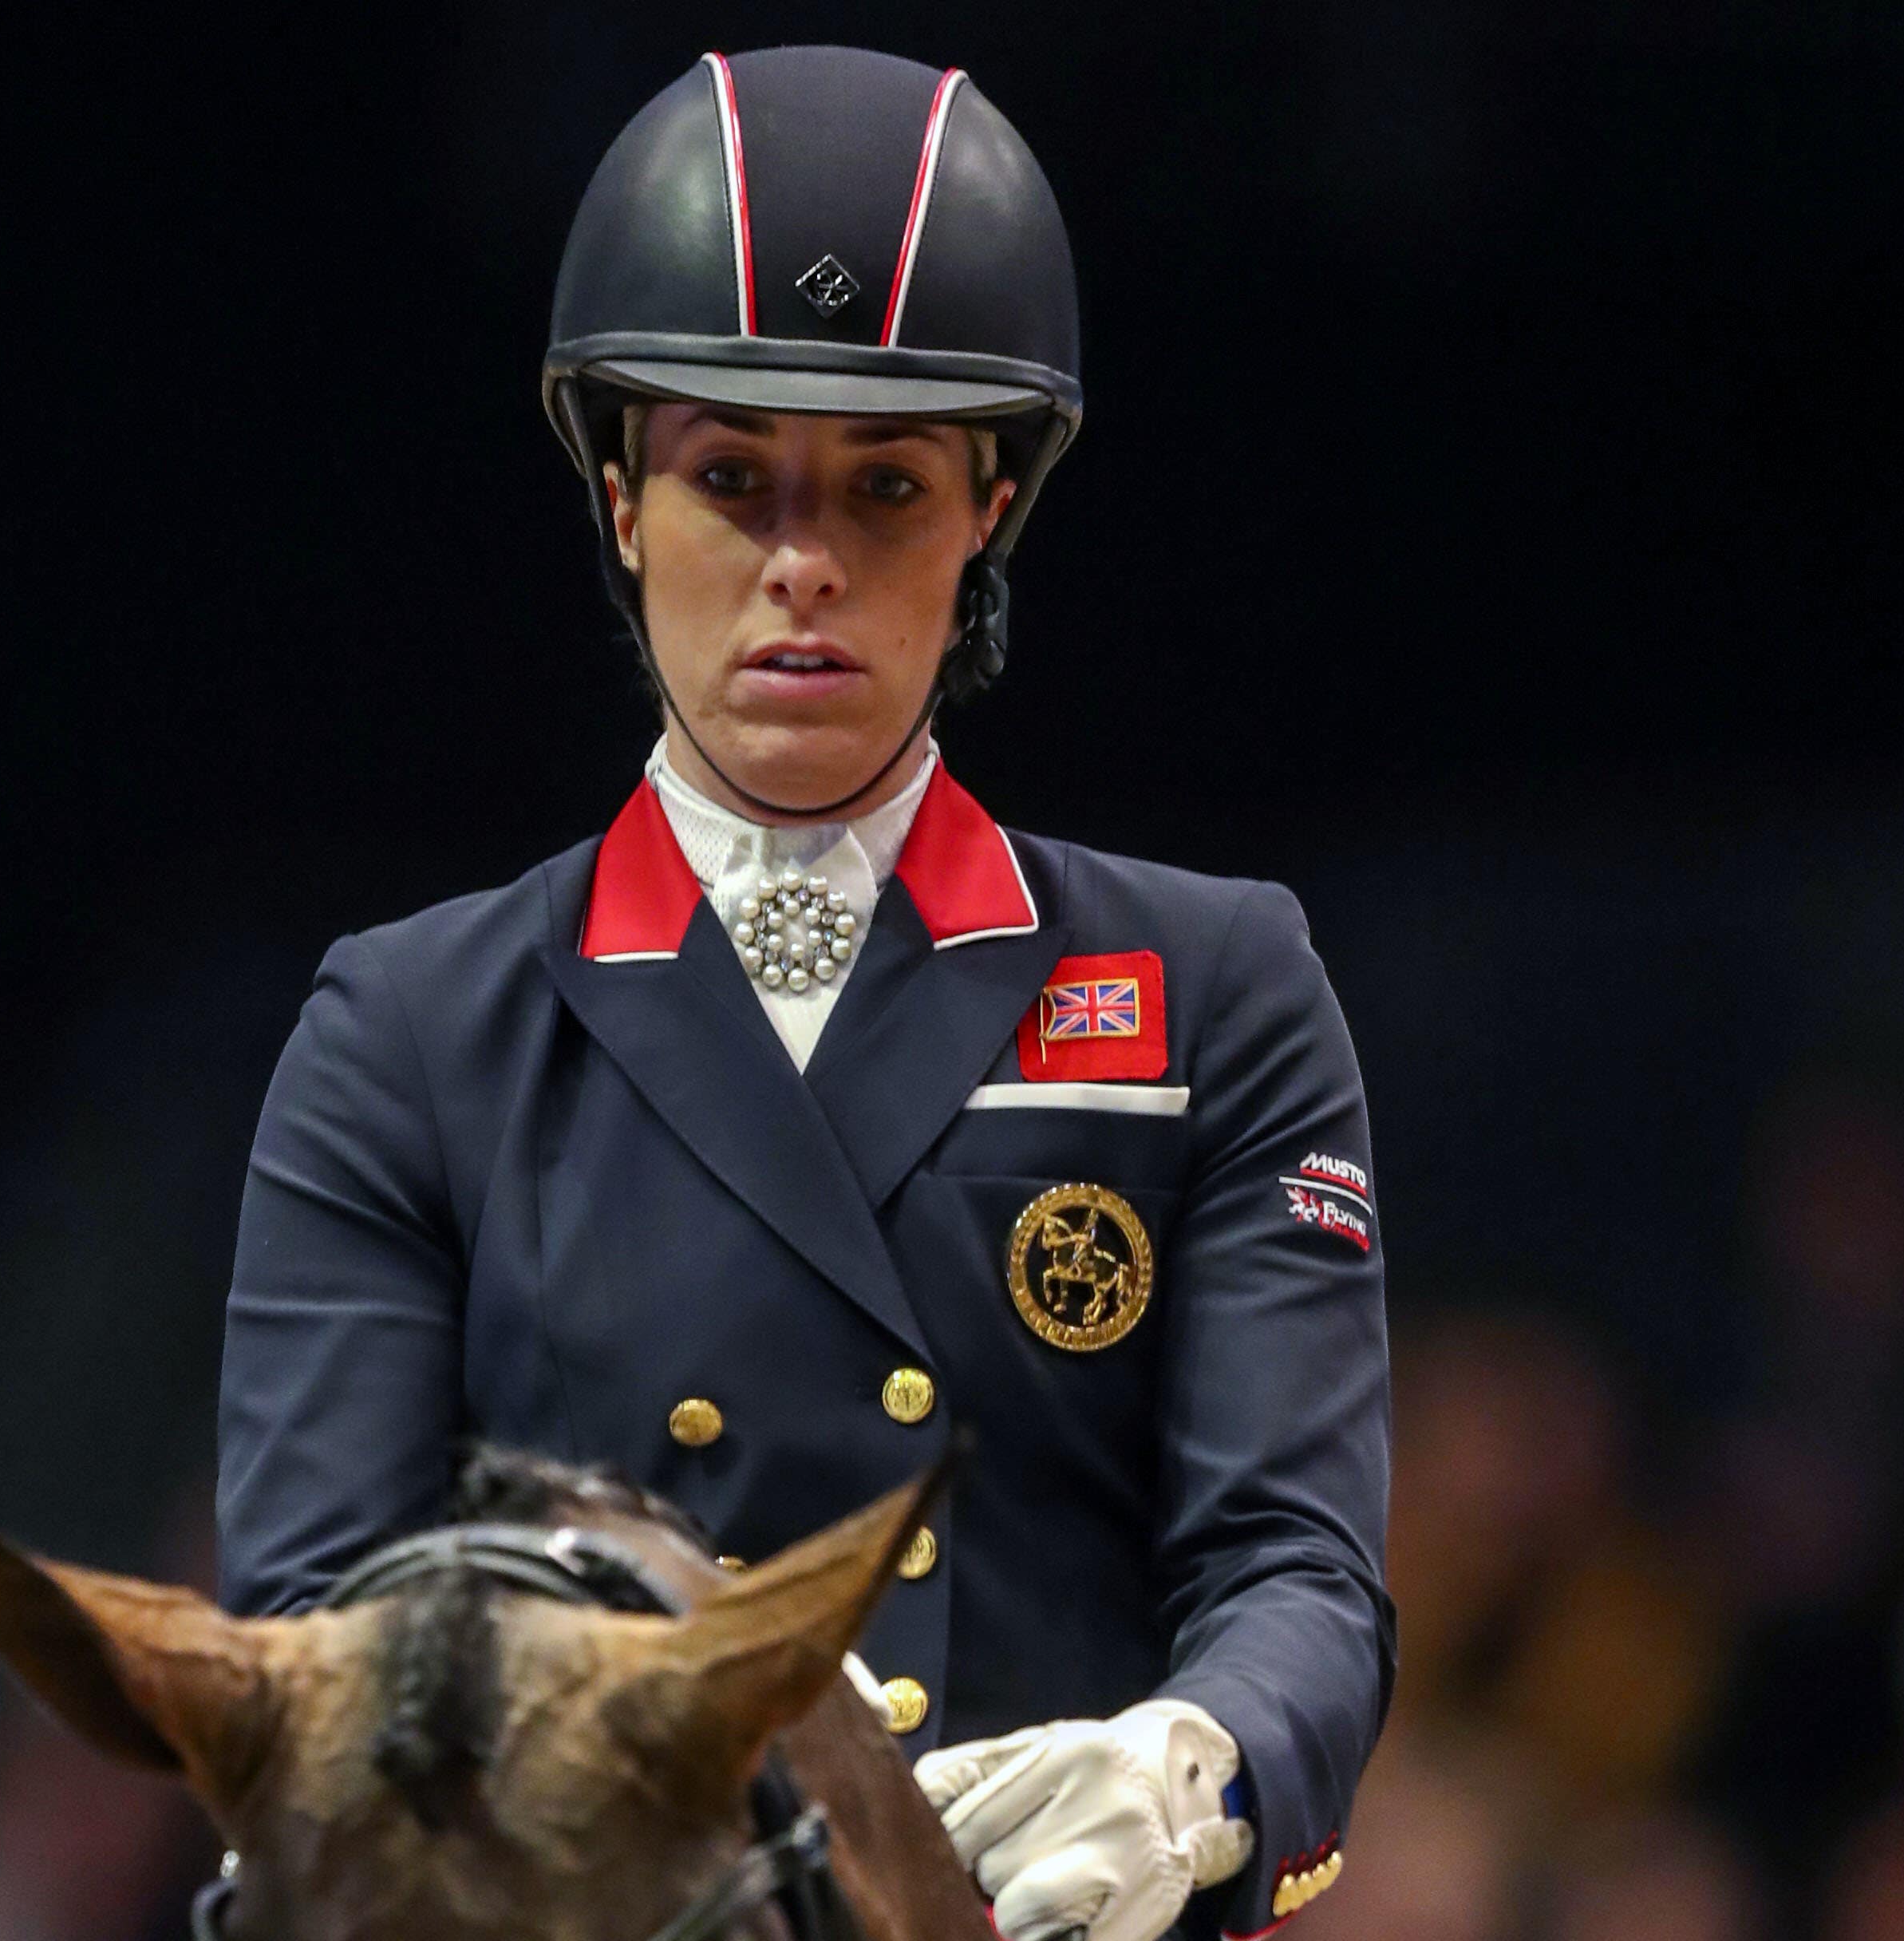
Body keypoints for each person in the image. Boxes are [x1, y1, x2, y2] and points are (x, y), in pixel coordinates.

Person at [215, 45, 1392, 1941]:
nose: (803, 567)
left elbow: (1297, 1569)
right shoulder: (410, 1033)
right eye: (729, 478)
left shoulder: (1214, 988)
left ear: (990, 511)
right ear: (618, 500)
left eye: (889, 486)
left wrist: (1200, 1763)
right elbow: (323, 1644)